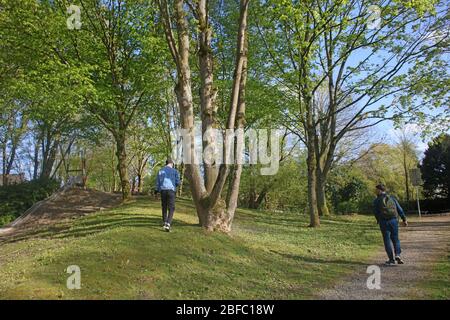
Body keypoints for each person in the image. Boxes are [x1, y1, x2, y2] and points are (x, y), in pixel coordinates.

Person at [373, 184, 408, 265]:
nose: (375, 191)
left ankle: (391, 260)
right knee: (395, 239)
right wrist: (404, 219)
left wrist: (378, 220)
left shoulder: (377, 200)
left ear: (379, 190)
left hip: (384, 222)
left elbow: (375, 212)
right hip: (394, 221)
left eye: (376, 190)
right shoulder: (392, 198)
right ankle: (398, 255)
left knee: (387, 240)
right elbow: (399, 209)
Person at [155, 158, 180, 232]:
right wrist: (175, 185)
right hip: (171, 191)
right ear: (171, 164)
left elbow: (157, 183)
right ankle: (168, 224)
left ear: (166, 163)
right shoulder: (175, 171)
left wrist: (156, 192)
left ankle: (165, 222)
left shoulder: (160, 171)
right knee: (171, 208)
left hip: (163, 191)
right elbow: (178, 182)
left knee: (164, 206)